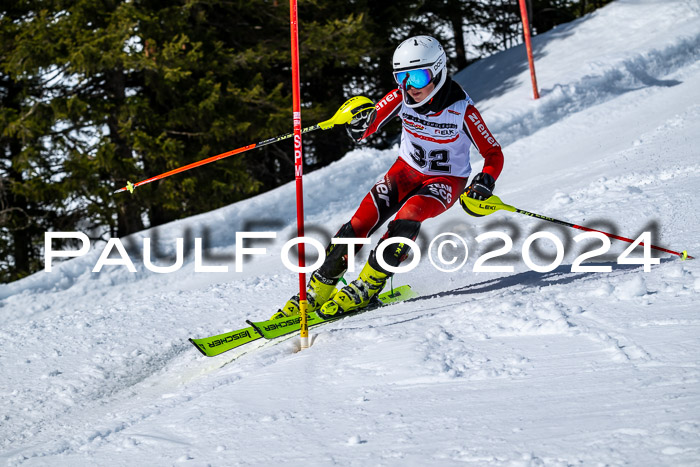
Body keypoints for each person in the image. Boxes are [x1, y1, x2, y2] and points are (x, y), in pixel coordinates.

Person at [272, 35, 504, 320]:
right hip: (405, 171)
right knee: (361, 220)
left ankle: (369, 284)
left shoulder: (461, 110)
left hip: (445, 181)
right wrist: (357, 125)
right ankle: (319, 288)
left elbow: (493, 153)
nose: (409, 87)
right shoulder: (400, 97)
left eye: (417, 78)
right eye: (401, 78)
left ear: (439, 70)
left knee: (409, 215)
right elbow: (368, 126)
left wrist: (485, 180)